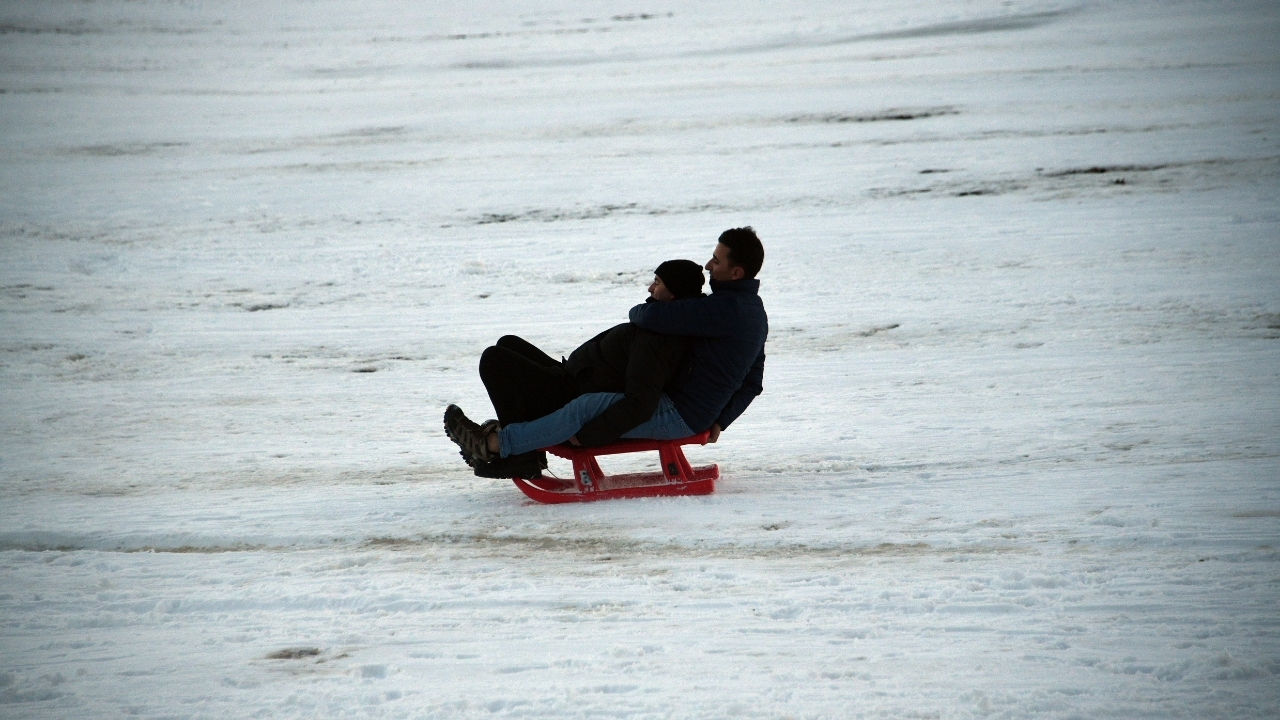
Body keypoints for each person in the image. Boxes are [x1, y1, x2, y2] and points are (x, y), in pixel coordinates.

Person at [444, 259, 707, 478]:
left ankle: (520, 455)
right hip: (573, 380)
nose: (650, 288)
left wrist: (588, 436)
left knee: (494, 360)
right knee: (508, 344)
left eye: (658, 283)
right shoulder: (661, 323)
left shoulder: (659, 339)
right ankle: (520, 449)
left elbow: (640, 402)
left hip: (572, 398)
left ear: (673, 294)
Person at [626, 227, 768, 443]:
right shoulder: (754, 312)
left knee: (584, 413)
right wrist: (720, 421)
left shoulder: (722, 309)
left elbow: (649, 317)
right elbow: (753, 382)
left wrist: (637, 310)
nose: (708, 266)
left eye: (716, 261)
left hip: (677, 413)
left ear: (736, 273)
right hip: (697, 416)